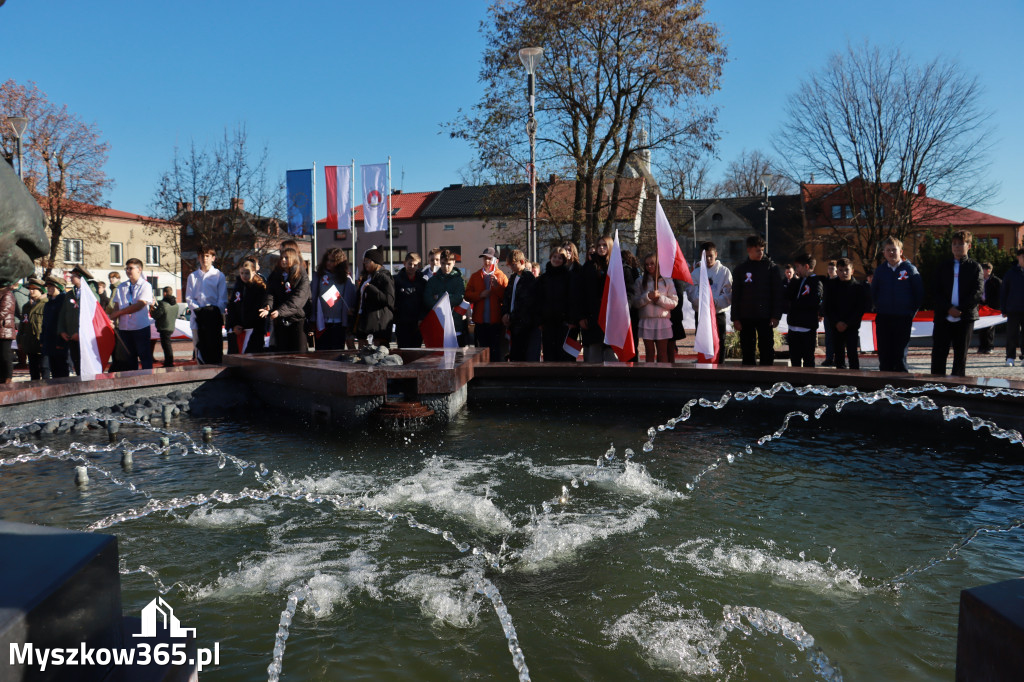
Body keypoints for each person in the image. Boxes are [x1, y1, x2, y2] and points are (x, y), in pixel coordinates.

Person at [930, 230, 983, 377]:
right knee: (939, 353)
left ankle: (957, 388)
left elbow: (977, 292)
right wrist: (948, 308)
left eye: (960, 244)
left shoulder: (974, 267)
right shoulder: (943, 266)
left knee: (960, 355)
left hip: (965, 317)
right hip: (943, 317)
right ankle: (935, 385)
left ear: (969, 246)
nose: (957, 247)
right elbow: (935, 290)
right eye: (954, 244)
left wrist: (960, 309)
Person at [870, 236, 924, 372]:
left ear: (901, 251)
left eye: (894, 250)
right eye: (888, 250)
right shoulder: (880, 271)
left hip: (903, 317)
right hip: (884, 317)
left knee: (899, 355)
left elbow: (919, 294)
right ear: (884, 253)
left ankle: (901, 387)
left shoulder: (910, 269)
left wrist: (910, 313)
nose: (891, 253)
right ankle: (884, 386)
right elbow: (874, 292)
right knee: (884, 355)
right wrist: (880, 307)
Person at [731, 235, 784, 366]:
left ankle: (766, 379)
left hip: (765, 317)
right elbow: (736, 295)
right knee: (747, 350)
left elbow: (778, 294)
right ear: (749, 250)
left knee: (766, 349)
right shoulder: (740, 269)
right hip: (746, 316)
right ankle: (748, 380)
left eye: (762, 250)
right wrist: (735, 318)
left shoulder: (772, 268)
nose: (761, 253)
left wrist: (776, 316)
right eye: (757, 250)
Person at [684, 242, 732, 365]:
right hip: (701, 314)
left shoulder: (724, 272)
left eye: (711, 255)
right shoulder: (695, 273)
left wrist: (714, 303)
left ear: (716, 254)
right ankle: (704, 367)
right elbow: (691, 293)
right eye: (705, 256)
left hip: (718, 314)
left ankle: (720, 367)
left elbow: (728, 294)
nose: (708, 259)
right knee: (703, 342)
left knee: (720, 341)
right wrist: (704, 304)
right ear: (701, 256)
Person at [263, 247, 311, 352]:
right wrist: (268, 305)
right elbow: (270, 293)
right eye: (282, 258)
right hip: (280, 321)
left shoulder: (302, 275)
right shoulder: (275, 275)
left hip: (297, 320)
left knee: (299, 356)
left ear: (293, 259)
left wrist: (280, 311)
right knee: (282, 356)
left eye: (286, 258)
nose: (283, 260)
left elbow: (298, 300)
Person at [824, 258, 870, 370]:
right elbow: (828, 306)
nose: (844, 273)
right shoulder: (831, 286)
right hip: (836, 326)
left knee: (852, 353)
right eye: (840, 270)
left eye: (846, 270)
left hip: (851, 326)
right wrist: (836, 322)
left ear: (852, 271)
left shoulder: (858, 287)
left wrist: (847, 323)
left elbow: (860, 309)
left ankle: (855, 380)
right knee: (839, 355)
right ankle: (840, 381)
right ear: (837, 271)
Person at [110, 258, 155, 370]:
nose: (128, 271)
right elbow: (117, 305)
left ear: (139, 269)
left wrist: (119, 313)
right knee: (129, 358)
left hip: (140, 327)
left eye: (131, 268)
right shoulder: (122, 286)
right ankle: (132, 383)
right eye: (127, 268)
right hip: (124, 328)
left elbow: (140, 305)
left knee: (145, 356)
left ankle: (148, 380)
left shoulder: (145, 285)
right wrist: (113, 320)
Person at [186, 246, 228, 364]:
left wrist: (212, 311)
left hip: (213, 318)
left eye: (207, 256)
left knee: (214, 348)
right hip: (198, 317)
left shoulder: (219, 275)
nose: (204, 259)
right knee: (200, 348)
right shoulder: (193, 276)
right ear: (198, 258)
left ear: (213, 258)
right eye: (202, 256)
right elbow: (189, 298)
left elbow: (222, 298)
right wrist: (199, 311)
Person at [633, 253, 678, 363]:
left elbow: (674, 302)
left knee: (662, 353)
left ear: (658, 264)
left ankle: (663, 377)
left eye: (652, 264)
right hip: (646, 321)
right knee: (649, 353)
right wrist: (648, 296)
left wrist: (659, 299)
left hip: (662, 321)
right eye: (647, 264)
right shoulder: (640, 281)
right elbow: (635, 302)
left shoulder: (667, 281)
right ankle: (649, 376)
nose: (649, 267)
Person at [464, 247, 507, 360]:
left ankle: (495, 374)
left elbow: (506, 298)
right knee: (481, 353)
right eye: (484, 258)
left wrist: (497, 287)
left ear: (495, 261)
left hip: (496, 323)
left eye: (489, 259)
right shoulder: (475, 276)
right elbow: (467, 295)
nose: (487, 261)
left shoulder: (501, 276)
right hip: (480, 322)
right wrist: (480, 295)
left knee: (495, 352)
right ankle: (481, 374)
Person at [311, 247, 357, 351]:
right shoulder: (318, 277)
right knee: (321, 356)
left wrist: (351, 311)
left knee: (336, 355)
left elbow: (352, 300)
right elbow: (313, 298)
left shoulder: (346, 279)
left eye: (332, 261)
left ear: (339, 262)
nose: (329, 263)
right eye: (327, 260)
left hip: (339, 325)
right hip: (322, 324)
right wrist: (313, 319)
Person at [784, 253, 824, 368]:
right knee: (795, 360)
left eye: (798, 267)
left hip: (806, 327)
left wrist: (796, 305)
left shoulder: (816, 282)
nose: (796, 270)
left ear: (806, 266)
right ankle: (795, 384)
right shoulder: (799, 280)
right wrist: (794, 281)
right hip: (793, 326)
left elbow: (813, 302)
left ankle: (808, 384)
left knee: (808, 360)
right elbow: (788, 296)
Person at [502, 249, 541, 361]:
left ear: (522, 262)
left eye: (513, 265)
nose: (511, 268)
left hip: (524, 323)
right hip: (514, 322)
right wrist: (505, 313)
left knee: (522, 354)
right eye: (510, 265)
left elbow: (525, 302)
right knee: (515, 354)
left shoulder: (528, 278)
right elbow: (507, 297)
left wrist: (511, 316)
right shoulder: (513, 277)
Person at [537, 246, 574, 361]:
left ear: (564, 260)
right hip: (547, 323)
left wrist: (571, 320)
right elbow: (539, 301)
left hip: (564, 323)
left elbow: (572, 299)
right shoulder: (543, 278)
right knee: (549, 354)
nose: (557, 259)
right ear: (550, 257)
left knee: (564, 356)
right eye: (555, 257)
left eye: (560, 258)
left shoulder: (568, 277)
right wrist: (540, 321)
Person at [58, 264, 96, 376]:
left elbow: (92, 316)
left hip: (85, 336)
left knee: (87, 364)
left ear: (81, 278)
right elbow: (63, 314)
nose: (70, 277)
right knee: (76, 362)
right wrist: (62, 331)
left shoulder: (90, 294)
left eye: (73, 275)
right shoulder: (69, 294)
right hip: (71, 335)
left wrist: (81, 333)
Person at [423, 249, 466, 346]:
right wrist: (446, 300)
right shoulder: (433, 280)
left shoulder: (459, 280)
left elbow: (459, 297)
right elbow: (427, 299)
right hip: (438, 322)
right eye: (443, 263)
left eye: (449, 264)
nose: (445, 267)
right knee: (439, 357)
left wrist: (440, 297)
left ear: (454, 262)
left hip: (455, 323)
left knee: (457, 357)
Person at [227, 257, 269, 354]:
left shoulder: (260, 288)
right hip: (240, 329)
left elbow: (258, 310)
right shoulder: (238, 287)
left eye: (247, 273)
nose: (244, 276)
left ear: (254, 272)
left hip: (254, 330)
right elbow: (232, 307)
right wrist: (234, 325)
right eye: (242, 273)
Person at [352, 247, 395, 345]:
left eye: (367, 261)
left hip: (379, 324)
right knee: (363, 350)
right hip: (365, 321)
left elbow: (389, 300)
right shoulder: (367, 278)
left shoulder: (384, 277)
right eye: (364, 261)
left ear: (375, 262)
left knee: (378, 353)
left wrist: (371, 289)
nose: (365, 263)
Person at [17, 278, 48, 380]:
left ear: (41, 290)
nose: (30, 291)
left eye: (34, 289)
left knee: (44, 370)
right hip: (30, 343)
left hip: (41, 343)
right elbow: (22, 325)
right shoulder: (26, 306)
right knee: (33, 372)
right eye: (29, 288)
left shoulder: (46, 304)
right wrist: (19, 340)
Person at [394, 252, 427, 348]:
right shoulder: (396, 280)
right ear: (404, 263)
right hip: (402, 323)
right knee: (403, 350)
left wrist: (421, 317)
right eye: (410, 264)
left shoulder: (423, 282)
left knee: (416, 351)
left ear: (419, 266)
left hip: (417, 323)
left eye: (415, 265)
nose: (412, 267)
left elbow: (424, 302)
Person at [1000, 248, 1024, 367]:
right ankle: (1010, 357)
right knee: (1011, 334)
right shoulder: (1010, 273)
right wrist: (1003, 309)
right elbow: (1004, 291)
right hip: (1013, 309)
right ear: (1018, 257)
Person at [41, 276, 69, 378]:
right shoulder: (48, 304)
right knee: (52, 368)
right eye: (48, 287)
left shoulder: (63, 302)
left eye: (52, 287)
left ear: (59, 288)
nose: (49, 289)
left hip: (59, 339)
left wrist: (61, 341)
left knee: (61, 368)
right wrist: (42, 339)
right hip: (49, 341)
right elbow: (45, 323)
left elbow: (63, 323)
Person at [150, 286, 179, 367]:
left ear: (165, 293)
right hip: (171, 326)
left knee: (166, 346)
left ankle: (169, 362)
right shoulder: (175, 304)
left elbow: (156, 315)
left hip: (163, 327)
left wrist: (152, 307)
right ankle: (169, 361)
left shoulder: (163, 304)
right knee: (167, 345)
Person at [977, 262, 1002, 354]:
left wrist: (993, 306)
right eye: (983, 269)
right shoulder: (978, 279)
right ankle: (981, 346)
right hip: (981, 307)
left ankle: (989, 346)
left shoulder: (996, 281)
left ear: (990, 270)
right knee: (981, 326)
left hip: (991, 308)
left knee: (990, 327)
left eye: (987, 269)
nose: (985, 271)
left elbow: (999, 296)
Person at [821, 259, 838, 366]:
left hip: (836, 313)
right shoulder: (826, 281)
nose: (830, 270)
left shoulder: (839, 282)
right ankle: (829, 357)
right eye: (829, 268)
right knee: (828, 337)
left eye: (832, 268)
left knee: (837, 337)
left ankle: (837, 357)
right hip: (827, 313)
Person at [0, 283, 16, 383]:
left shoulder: (7, 294)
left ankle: (7, 377)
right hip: (2, 329)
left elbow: (3, 312)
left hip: (5, 330)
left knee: (5, 355)